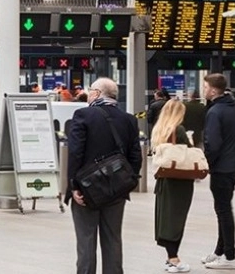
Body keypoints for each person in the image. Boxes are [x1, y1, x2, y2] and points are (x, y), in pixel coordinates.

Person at [66, 77, 142, 274]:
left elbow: (75, 153)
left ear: (97, 94)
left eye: (90, 90)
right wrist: (126, 183)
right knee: (113, 240)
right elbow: (136, 157)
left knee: (86, 240)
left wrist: (74, 186)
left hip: (87, 190)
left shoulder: (83, 115)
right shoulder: (128, 120)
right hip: (116, 190)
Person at [202, 73, 235, 270]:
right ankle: (219, 251)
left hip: (221, 168)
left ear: (213, 90)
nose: (203, 91)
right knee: (224, 208)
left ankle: (230, 256)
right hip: (234, 165)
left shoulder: (215, 112)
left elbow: (213, 144)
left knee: (223, 211)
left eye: (205, 87)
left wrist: (206, 164)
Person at [152, 100, 196, 273]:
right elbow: (187, 151)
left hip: (165, 179)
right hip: (179, 181)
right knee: (176, 219)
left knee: (166, 217)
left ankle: (170, 257)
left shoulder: (160, 129)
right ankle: (174, 258)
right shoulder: (178, 130)